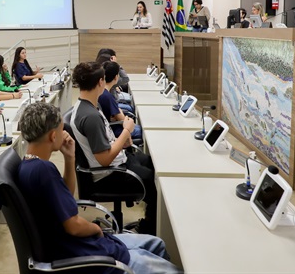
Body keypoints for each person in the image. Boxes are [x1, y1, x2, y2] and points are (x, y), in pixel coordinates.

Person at [18, 102, 179, 274]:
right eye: (60, 129)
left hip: (80, 245)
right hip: (84, 253)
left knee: (156, 243)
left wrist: (70, 158)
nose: (63, 133)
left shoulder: (29, 166)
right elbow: (73, 225)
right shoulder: (44, 170)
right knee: (168, 267)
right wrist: (95, 229)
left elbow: (66, 198)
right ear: (52, 136)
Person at [70, 62, 157, 235]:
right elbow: (104, 159)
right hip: (109, 173)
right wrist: (126, 131)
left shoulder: (86, 106)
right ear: (101, 82)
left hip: (115, 163)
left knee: (149, 161)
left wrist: (122, 140)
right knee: (154, 184)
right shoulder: (90, 116)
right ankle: (149, 228)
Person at [99, 61, 142, 141]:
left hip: (108, 127)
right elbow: (121, 118)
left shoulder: (101, 92)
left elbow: (117, 112)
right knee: (142, 130)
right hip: (114, 130)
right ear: (116, 77)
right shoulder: (108, 96)